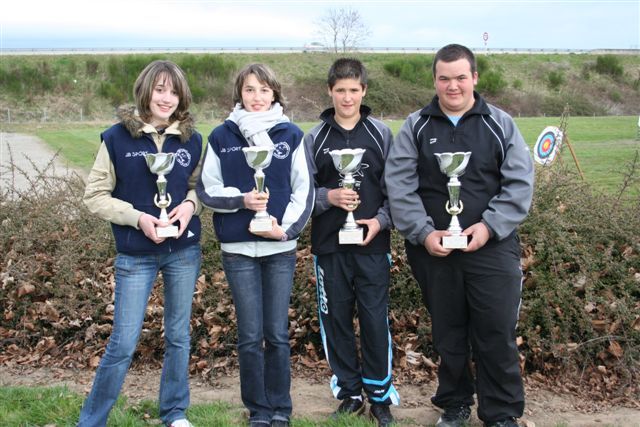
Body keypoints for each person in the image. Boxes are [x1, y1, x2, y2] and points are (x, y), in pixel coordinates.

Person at [385, 44, 534, 427]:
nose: (453, 86)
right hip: (433, 249)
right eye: (444, 78)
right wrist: (422, 232)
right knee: (448, 333)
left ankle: (500, 413)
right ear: (435, 80)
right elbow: (400, 185)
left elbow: (519, 184)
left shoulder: (500, 124)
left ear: (475, 79)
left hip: (493, 248)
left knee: (496, 330)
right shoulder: (416, 126)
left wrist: (488, 227)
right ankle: (454, 404)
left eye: (461, 77)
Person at [79, 60, 203, 427]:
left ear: (181, 96)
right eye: (160, 89)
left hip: (182, 251)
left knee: (179, 336)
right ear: (145, 91)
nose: (166, 98)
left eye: (173, 91)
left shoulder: (192, 140)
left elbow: (200, 189)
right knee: (123, 342)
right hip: (136, 255)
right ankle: (92, 420)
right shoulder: (116, 138)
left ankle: (175, 413)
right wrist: (139, 218)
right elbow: (94, 195)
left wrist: (188, 206)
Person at [196, 63, 314, 427]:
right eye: (250, 90)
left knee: (277, 333)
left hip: (279, 251)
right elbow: (206, 189)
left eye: (264, 90)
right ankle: (258, 410)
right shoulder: (222, 136)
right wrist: (242, 200)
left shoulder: (291, 134)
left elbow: (303, 191)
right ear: (239, 94)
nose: (257, 97)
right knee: (249, 335)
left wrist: (284, 231)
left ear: (275, 93)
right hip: (238, 253)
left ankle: (281, 407)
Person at [303, 58, 399, 427]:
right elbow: (300, 195)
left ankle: (379, 394)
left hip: (373, 244)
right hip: (329, 246)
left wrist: (380, 221)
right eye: (340, 90)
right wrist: (329, 198)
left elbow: (398, 191)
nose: (347, 97)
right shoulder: (314, 138)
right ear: (330, 91)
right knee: (336, 319)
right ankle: (348, 391)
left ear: (364, 91)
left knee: (375, 319)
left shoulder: (380, 134)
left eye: (353, 90)